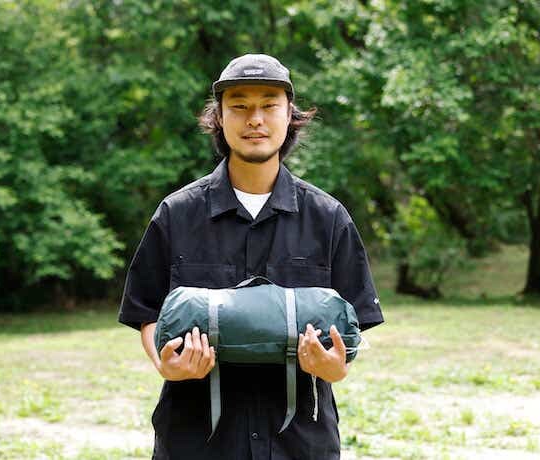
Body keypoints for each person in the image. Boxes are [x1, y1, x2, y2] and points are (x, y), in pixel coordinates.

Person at [118, 53, 384, 460]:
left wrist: (338, 367)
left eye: (268, 105)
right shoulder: (177, 213)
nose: (254, 119)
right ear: (219, 117)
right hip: (196, 443)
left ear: (289, 115)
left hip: (300, 445)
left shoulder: (328, 217)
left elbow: (354, 325)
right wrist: (165, 364)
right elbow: (147, 311)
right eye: (239, 106)